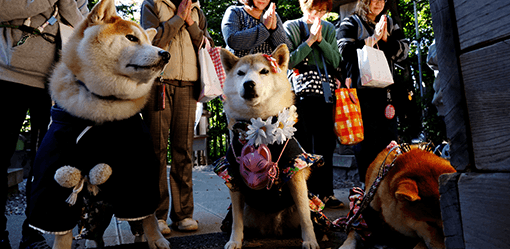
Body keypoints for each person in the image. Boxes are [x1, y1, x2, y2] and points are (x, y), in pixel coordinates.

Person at [0, 0, 88, 248]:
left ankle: (33, 232)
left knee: (44, 162)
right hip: (7, 76)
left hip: (52, 82)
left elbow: (85, 26)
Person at [140, 0, 212, 233]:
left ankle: (183, 214)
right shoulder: (152, 4)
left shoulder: (197, 10)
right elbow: (150, 42)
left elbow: (206, 43)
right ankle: (157, 215)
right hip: (158, 85)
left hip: (188, 85)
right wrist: (178, 19)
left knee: (184, 151)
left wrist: (191, 22)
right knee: (156, 151)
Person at [336, 0, 409, 183]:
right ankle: (366, 187)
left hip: (386, 92)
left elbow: (404, 51)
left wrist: (385, 39)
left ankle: (387, 185)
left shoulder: (389, 23)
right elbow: (344, 51)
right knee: (365, 142)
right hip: (360, 92)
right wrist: (372, 40)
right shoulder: (350, 22)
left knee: (389, 139)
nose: (378, 3)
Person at [284, 0, 343, 208]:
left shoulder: (328, 28)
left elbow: (336, 60)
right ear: (303, 7)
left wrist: (321, 41)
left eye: (322, 10)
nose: (316, 14)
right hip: (300, 94)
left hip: (325, 93)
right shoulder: (291, 27)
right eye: (312, 9)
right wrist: (309, 41)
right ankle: (305, 193)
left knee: (326, 143)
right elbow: (288, 61)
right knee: (304, 144)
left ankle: (327, 192)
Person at [221, 0, 291, 57]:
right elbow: (233, 40)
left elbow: (285, 48)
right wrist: (264, 28)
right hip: (241, 69)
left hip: (266, 70)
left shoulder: (273, 15)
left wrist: (274, 29)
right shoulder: (235, 11)